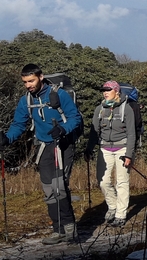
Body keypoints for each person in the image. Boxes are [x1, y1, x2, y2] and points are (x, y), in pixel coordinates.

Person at [0, 64, 82, 244]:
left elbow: (75, 118)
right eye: (25, 82)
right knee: (48, 189)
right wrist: (7, 138)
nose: (28, 85)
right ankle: (58, 231)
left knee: (59, 186)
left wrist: (62, 129)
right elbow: (19, 124)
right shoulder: (26, 100)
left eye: (31, 80)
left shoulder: (58, 94)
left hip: (63, 144)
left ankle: (71, 231)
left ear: (41, 77)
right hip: (45, 146)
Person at [85, 81, 136, 227]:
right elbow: (94, 133)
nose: (105, 92)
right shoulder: (99, 109)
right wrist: (88, 149)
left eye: (108, 90)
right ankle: (112, 206)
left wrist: (129, 155)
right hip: (104, 149)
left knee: (122, 182)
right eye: (103, 90)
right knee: (103, 182)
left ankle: (120, 215)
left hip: (122, 148)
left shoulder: (127, 109)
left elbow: (132, 133)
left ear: (117, 92)